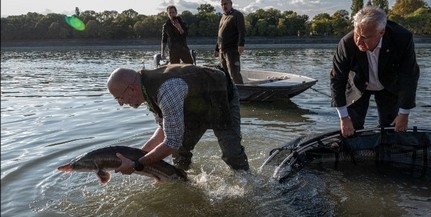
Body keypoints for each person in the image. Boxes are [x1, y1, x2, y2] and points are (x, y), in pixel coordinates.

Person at [107, 64, 250, 175]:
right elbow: (165, 130)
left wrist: (137, 164)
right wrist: (133, 157)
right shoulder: (147, 90)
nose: (120, 103)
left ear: (132, 89)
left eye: (119, 98)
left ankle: (248, 181)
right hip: (194, 107)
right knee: (180, 153)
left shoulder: (167, 90)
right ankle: (183, 179)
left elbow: (171, 143)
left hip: (219, 94)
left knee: (231, 153)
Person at [330, 6, 420, 138]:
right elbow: (337, 79)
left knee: (390, 129)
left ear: (381, 32)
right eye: (356, 34)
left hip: (388, 85)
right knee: (351, 128)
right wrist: (344, 118)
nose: (359, 41)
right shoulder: (346, 43)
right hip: (358, 85)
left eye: (365, 37)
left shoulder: (402, 38)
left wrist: (404, 114)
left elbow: (409, 77)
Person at [214, 0, 246, 84]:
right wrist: (217, 49)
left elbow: (242, 31)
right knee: (225, 74)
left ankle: (240, 93)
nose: (224, 6)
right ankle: (230, 93)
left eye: (225, 4)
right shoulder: (223, 17)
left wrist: (241, 44)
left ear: (231, 4)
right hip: (222, 50)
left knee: (234, 74)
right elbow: (220, 35)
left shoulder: (237, 15)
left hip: (232, 50)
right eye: (222, 4)